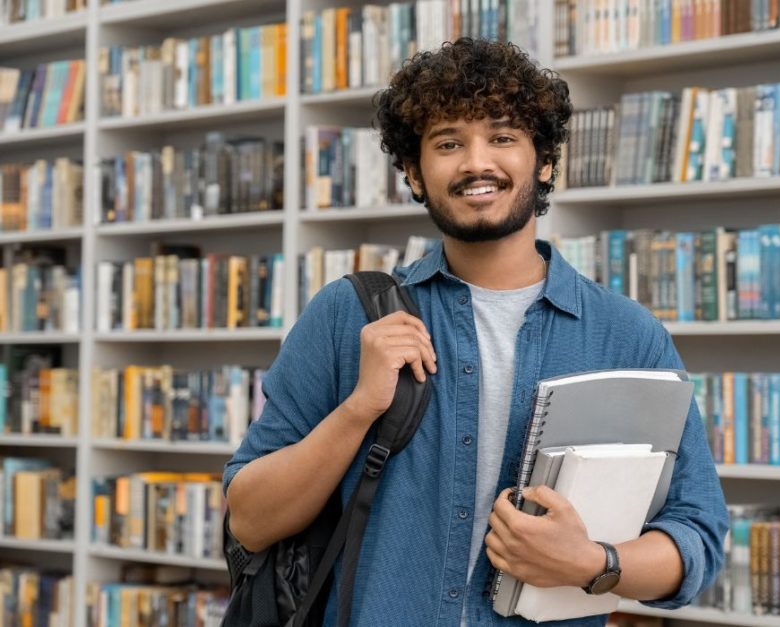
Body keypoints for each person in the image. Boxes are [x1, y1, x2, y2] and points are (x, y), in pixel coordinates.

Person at [224, 37, 728, 626]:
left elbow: (696, 539)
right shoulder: (348, 315)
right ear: (414, 173)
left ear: (543, 161)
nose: (475, 163)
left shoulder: (627, 336)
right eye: (447, 144)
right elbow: (249, 520)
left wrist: (590, 562)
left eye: (503, 137)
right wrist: (358, 409)